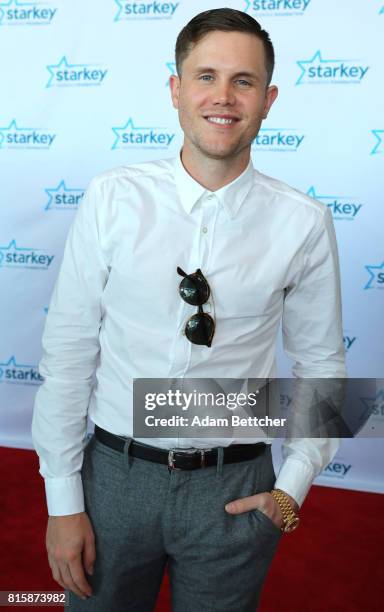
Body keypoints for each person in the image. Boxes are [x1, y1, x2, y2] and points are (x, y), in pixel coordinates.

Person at [32, 8, 347, 611]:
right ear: (176, 90)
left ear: (269, 98)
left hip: (235, 490)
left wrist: (292, 488)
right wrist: (63, 501)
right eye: (205, 76)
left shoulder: (304, 223)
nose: (222, 97)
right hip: (114, 480)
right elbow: (68, 354)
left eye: (243, 81)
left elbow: (323, 367)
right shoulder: (112, 199)